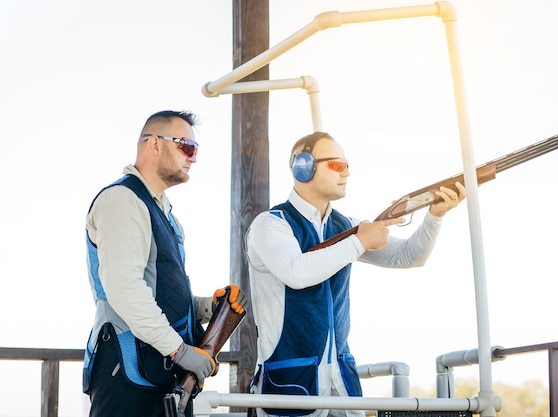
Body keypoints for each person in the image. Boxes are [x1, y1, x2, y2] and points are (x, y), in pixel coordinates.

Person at [246, 131, 466, 417]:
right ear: (303, 166)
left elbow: (410, 256)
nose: (347, 173)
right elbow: (296, 273)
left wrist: (435, 215)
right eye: (337, 165)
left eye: (347, 165)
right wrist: (360, 241)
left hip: (343, 383)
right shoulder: (271, 224)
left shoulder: (346, 226)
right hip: (289, 385)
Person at [82, 110, 247, 417]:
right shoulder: (122, 199)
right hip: (128, 374)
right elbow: (124, 288)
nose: (193, 157)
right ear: (154, 144)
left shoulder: (168, 215)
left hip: (161, 375)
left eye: (195, 149)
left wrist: (207, 306)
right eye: (187, 146)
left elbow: (159, 291)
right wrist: (181, 351)